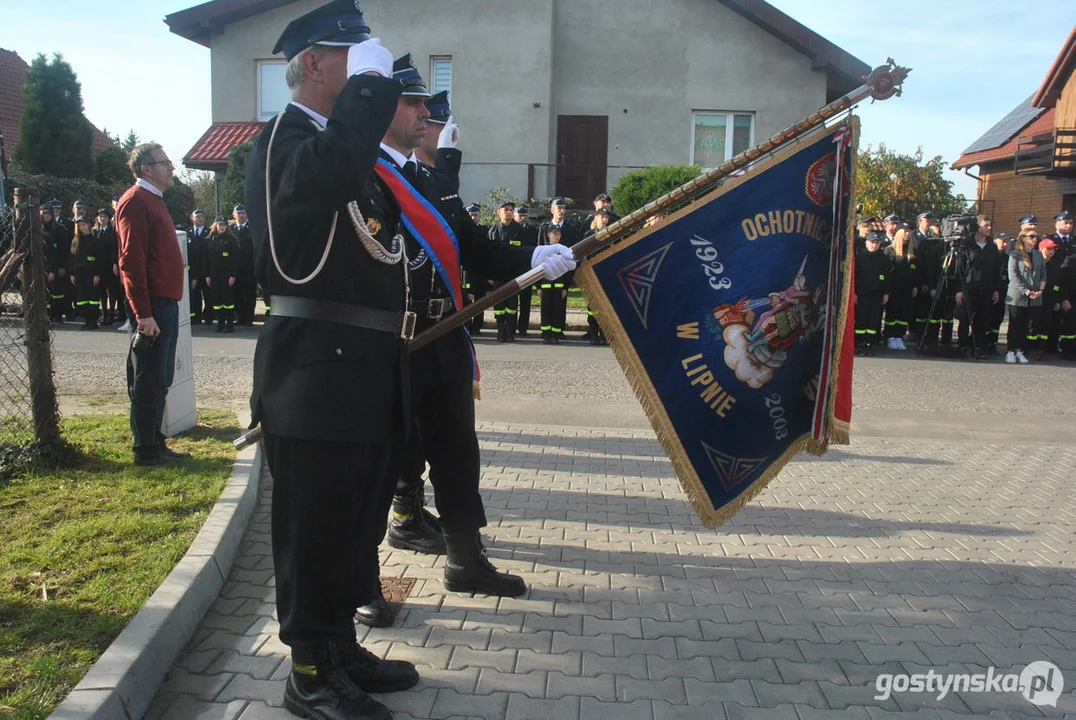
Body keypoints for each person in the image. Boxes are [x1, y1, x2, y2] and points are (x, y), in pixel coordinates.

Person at [359, 55, 573, 628]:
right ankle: (360, 580)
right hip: (391, 342)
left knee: (457, 453)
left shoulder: (428, 180)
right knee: (381, 460)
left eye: (424, 103)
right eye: (413, 102)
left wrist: (533, 257)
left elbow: (475, 249)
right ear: (378, 105)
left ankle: (465, 560)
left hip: (445, 334)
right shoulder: (359, 173)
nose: (425, 112)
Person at [115, 142, 191, 468]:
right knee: (148, 379)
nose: (171, 168)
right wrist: (143, 314)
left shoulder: (154, 200)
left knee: (161, 378)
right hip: (153, 310)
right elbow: (131, 262)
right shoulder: (135, 202)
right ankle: (145, 450)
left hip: (165, 305)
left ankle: (156, 442)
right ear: (146, 168)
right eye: (165, 163)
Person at [953, 215, 1003, 360]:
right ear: (978, 227)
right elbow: (959, 269)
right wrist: (959, 290)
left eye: (990, 225)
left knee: (982, 320)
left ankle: (976, 346)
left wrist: (996, 289)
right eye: (986, 225)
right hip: (969, 288)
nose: (989, 228)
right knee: (965, 320)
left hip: (987, 289)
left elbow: (996, 270)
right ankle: (962, 346)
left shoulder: (992, 247)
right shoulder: (967, 245)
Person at [1004, 230, 1044, 364]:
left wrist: (1040, 290)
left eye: (1036, 236)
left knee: (1025, 325)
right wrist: (1026, 291)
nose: (1035, 239)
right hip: (1018, 295)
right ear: (1023, 238)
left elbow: (1043, 274)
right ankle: (1010, 350)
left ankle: (1019, 350)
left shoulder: (1038, 255)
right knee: (1014, 323)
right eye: (1031, 236)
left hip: (1034, 297)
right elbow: (1013, 276)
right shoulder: (1015, 255)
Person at [488, 200, 524, 342]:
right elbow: (489, 254)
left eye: (511, 210)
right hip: (498, 274)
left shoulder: (520, 230)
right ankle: (500, 331)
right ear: (499, 212)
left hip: (513, 274)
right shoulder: (493, 231)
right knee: (499, 305)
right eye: (506, 209)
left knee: (512, 305)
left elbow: (523, 253)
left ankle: (510, 332)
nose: (509, 212)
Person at [855, 231, 889, 355]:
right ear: (866, 243)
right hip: (863, 293)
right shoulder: (860, 258)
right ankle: (859, 343)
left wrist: (886, 293)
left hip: (877, 294)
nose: (874, 245)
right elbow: (855, 277)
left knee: (873, 320)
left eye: (876, 243)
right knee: (861, 319)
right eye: (872, 243)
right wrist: (855, 293)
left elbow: (887, 276)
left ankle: (870, 343)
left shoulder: (883, 258)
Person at [883, 226, 916, 351]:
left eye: (909, 232)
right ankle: (890, 336)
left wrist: (914, 285)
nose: (907, 234)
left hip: (907, 288)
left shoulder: (911, 252)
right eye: (905, 232)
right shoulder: (889, 251)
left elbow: (914, 271)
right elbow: (886, 271)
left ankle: (899, 336)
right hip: (894, 287)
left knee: (904, 313)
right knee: (893, 312)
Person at [583, 208, 612, 344]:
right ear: (596, 218)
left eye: (606, 217)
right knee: (593, 307)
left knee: (606, 307)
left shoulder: (612, 234)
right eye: (602, 217)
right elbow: (584, 257)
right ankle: (593, 334)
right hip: (593, 275)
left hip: (606, 275)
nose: (604, 220)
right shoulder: (588, 235)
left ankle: (604, 334)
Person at [69, 217, 103, 330]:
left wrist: (97, 274)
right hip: (79, 274)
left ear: (88, 225)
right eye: (79, 226)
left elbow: (99, 259)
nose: (82, 227)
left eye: (83, 224)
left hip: (91, 273)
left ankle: (93, 321)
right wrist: (72, 274)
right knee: (81, 298)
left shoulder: (95, 241)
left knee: (93, 298)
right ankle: (87, 320)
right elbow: (72, 258)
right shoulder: (75, 241)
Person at [206, 216, 238, 333]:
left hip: (227, 274)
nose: (222, 227)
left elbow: (235, 259)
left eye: (224, 224)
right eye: (220, 224)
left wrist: (233, 275)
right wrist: (207, 275)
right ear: (215, 225)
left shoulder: (231, 240)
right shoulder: (210, 239)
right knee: (217, 301)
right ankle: (220, 324)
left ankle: (229, 325)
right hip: (214, 274)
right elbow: (206, 259)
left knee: (228, 300)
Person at [537, 225, 569, 343]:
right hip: (545, 287)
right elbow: (537, 269)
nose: (557, 236)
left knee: (557, 311)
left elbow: (567, 271)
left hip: (558, 288)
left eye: (559, 234)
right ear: (548, 234)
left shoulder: (564, 251)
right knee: (545, 311)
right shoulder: (543, 250)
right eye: (554, 233)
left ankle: (555, 335)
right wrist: (538, 287)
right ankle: (546, 335)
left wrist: (565, 287)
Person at [462, 202, 488, 334]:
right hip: (467, 273)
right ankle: (465, 326)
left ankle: (477, 327)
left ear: (479, 216)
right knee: (465, 303)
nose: (473, 218)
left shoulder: (485, 231)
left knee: (479, 303)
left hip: (481, 271)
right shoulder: (461, 230)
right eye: (470, 215)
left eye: (475, 215)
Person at [513, 204, 539, 336]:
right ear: (514, 215)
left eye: (524, 215)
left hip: (527, 269)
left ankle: (522, 328)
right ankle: (511, 327)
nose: (522, 218)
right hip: (512, 270)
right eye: (519, 215)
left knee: (525, 301)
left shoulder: (533, 231)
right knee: (511, 301)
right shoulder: (511, 229)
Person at [41, 205, 69, 323]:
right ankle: (47, 315)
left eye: (48, 214)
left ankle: (57, 314)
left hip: (56, 263)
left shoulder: (59, 229)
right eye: (44, 214)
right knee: (45, 292)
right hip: (42, 264)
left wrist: (62, 266)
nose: (46, 216)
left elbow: (64, 249)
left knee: (57, 292)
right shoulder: (38, 228)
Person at [187, 209, 211, 325]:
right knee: (194, 295)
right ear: (192, 218)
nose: (200, 218)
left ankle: (208, 317)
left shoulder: (210, 232)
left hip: (206, 270)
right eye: (198, 216)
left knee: (208, 295)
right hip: (193, 270)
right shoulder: (188, 233)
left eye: (202, 216)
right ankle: (195, 317)